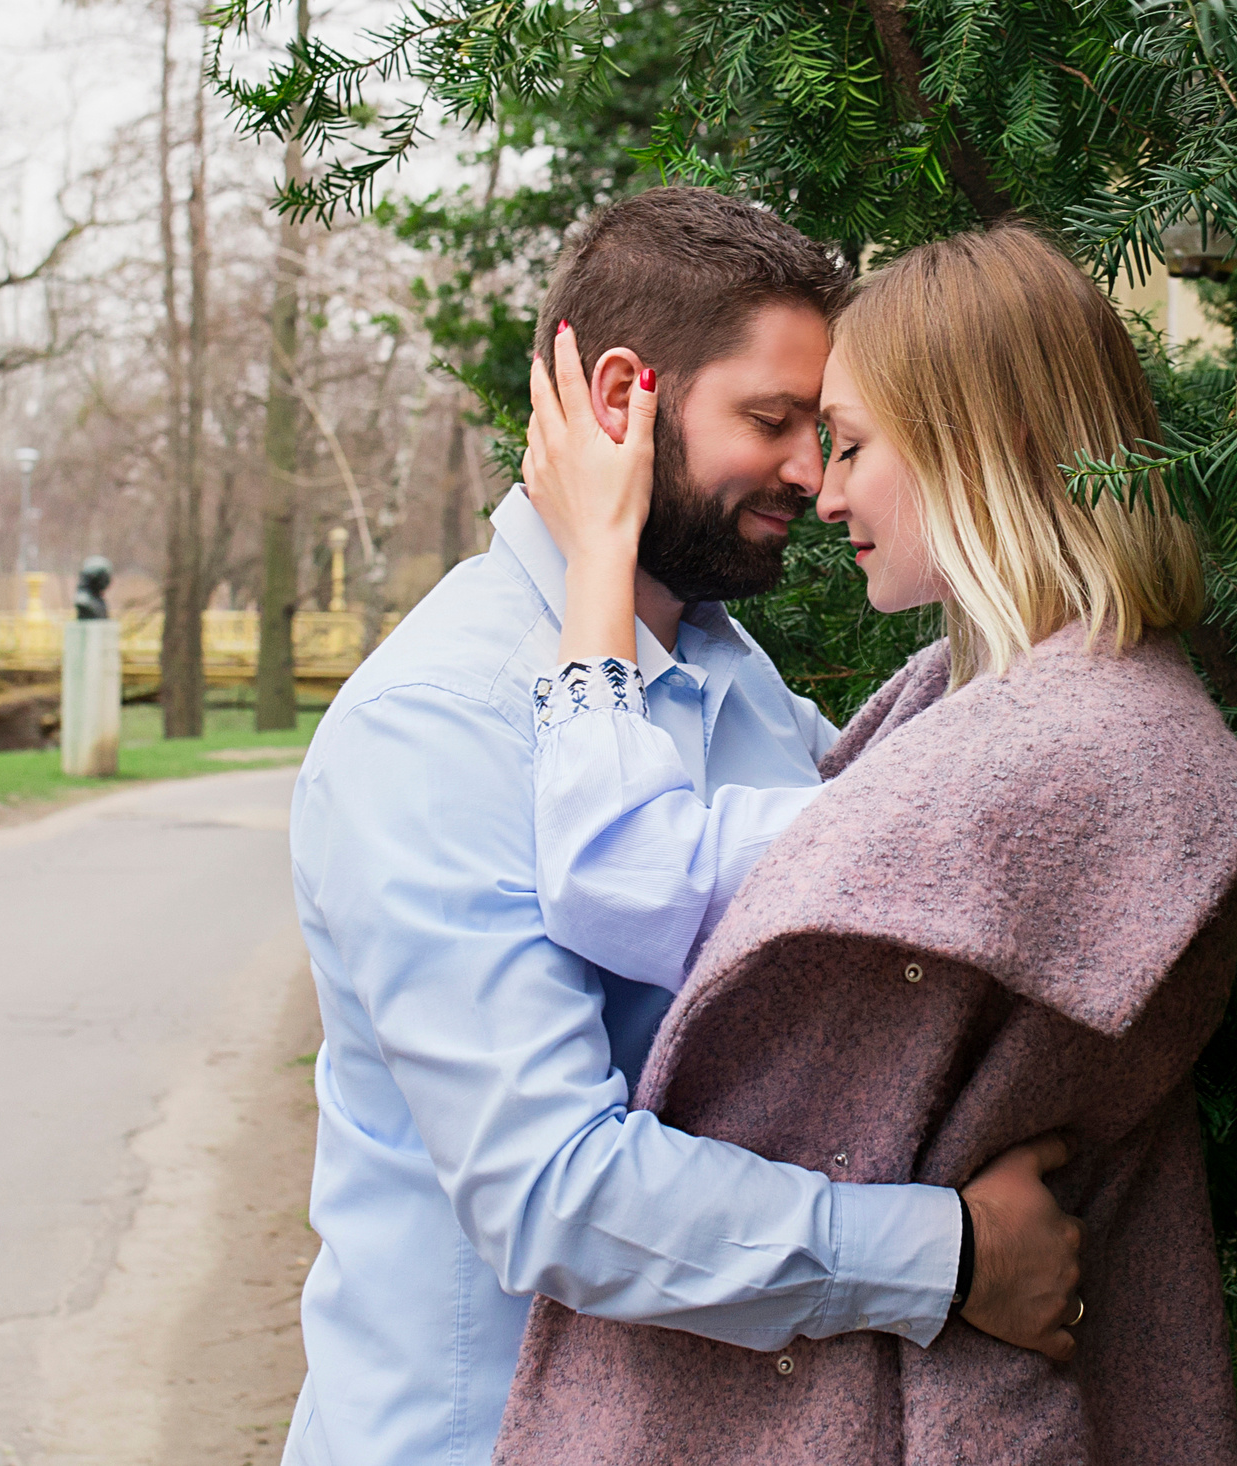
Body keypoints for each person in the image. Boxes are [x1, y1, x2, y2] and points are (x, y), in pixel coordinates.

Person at [283, 189, 1084, 1466]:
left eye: (821, 431)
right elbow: (552, 1188)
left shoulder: (722, 664)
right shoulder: (436, 726)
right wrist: (949, 1253)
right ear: (622, 401)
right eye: (770, 421)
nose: (812, 475)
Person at [494, 222, 1237, 1463]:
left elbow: (622, 875)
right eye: (808, 435)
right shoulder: (1002, 706)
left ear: (993, 443)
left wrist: (597, 554)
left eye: (853, 442)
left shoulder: (1054, 746)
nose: (826, 485)